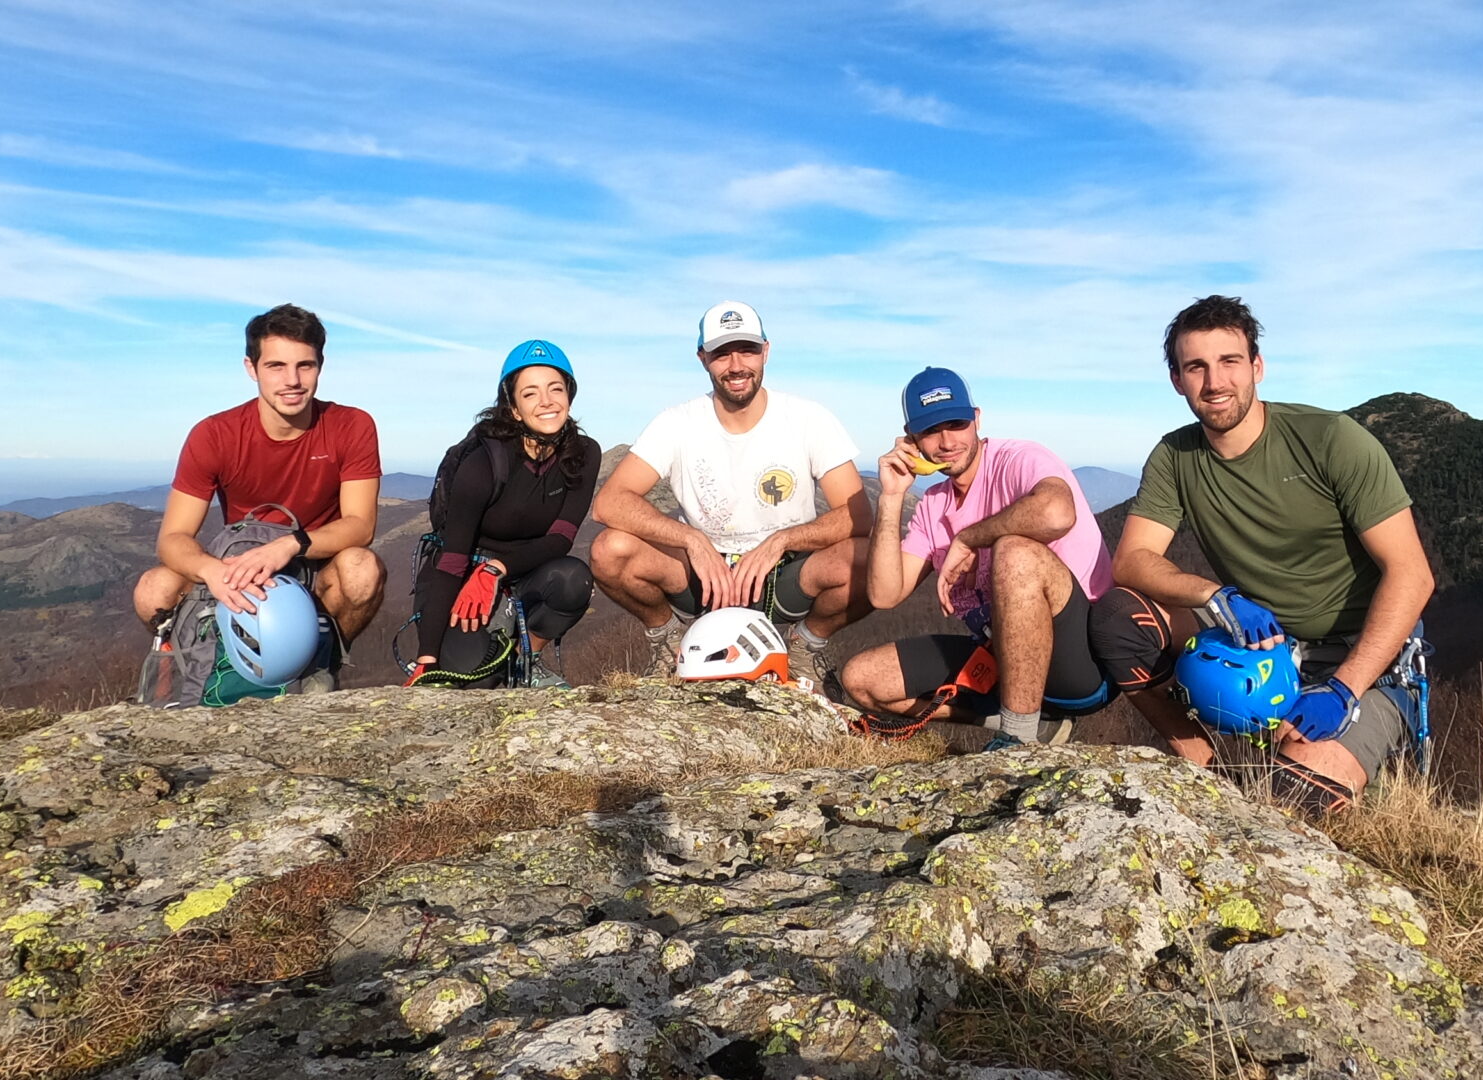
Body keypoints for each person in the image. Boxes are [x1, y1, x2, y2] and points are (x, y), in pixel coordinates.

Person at [1112, 294, 1436, 813]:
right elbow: (1131, 562)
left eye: (1229, 362)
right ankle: (1208, 772)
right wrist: (1217, 596)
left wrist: (1345, 689)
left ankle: (1323, 759)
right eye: (1196, 366)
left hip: (1361, 660)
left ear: (1257, 367)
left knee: (1290, 804)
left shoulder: (1332, 440)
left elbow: (1412, 575)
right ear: (1177, 380)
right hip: (1263, 647)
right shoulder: (1175, 456)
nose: (1215, 382)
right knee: (1118, 620)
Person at [841, 367, 1161, 747]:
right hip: (1001, 660)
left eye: (956, 423)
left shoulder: (1018, 460)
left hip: (1081, 661)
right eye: (930, 431)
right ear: (912, 439)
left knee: (1014, 552)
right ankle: (1027, 724)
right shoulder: (933, 503)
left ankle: (1016, 739)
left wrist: (971, 538)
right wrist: (891, 498)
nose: (946, 442)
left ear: (976, 419)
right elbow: (884, 595)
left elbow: (1057, 512)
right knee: (861, 680)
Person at [590, 300, 870, 686]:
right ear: (703, 358)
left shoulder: (808, 419)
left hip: (786, 573)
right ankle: (670, 641)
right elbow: (609, 504)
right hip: (705, 579)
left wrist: (781, 540)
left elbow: (858, 515)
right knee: (610, 551)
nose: (736, 365)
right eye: (721, 353)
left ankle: (804, 647)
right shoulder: (677, 423)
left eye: (747, 349)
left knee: (873, 560)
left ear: (766, 351)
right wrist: (693, 540)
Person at [134, 303, 385, 691]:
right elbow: (172, 538)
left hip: (312, 560)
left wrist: (290, 545)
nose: (293, 380)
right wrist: (213, 572)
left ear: (321, 365)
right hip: (237, 561)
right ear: (251, 368)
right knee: (153, 589)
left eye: (305, 365)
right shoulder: (215, 434)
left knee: (361, 570)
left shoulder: (351, 426)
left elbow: (360, 525)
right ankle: (189, 663)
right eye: (276, 366)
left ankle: (324, 661)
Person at [407, 339, 600, 689]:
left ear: (569, 396)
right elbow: (451, 561)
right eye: (530, 394)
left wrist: (498, 569)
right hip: (463, 572)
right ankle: (475, 655)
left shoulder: (583, 453)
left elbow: (560, 539)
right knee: (478, 677)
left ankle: (528, 659)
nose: (546, 401)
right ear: (513, 408)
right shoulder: (484, 464)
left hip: (520, 572)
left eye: (556, 388)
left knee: (573, 581)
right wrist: (427, 657)